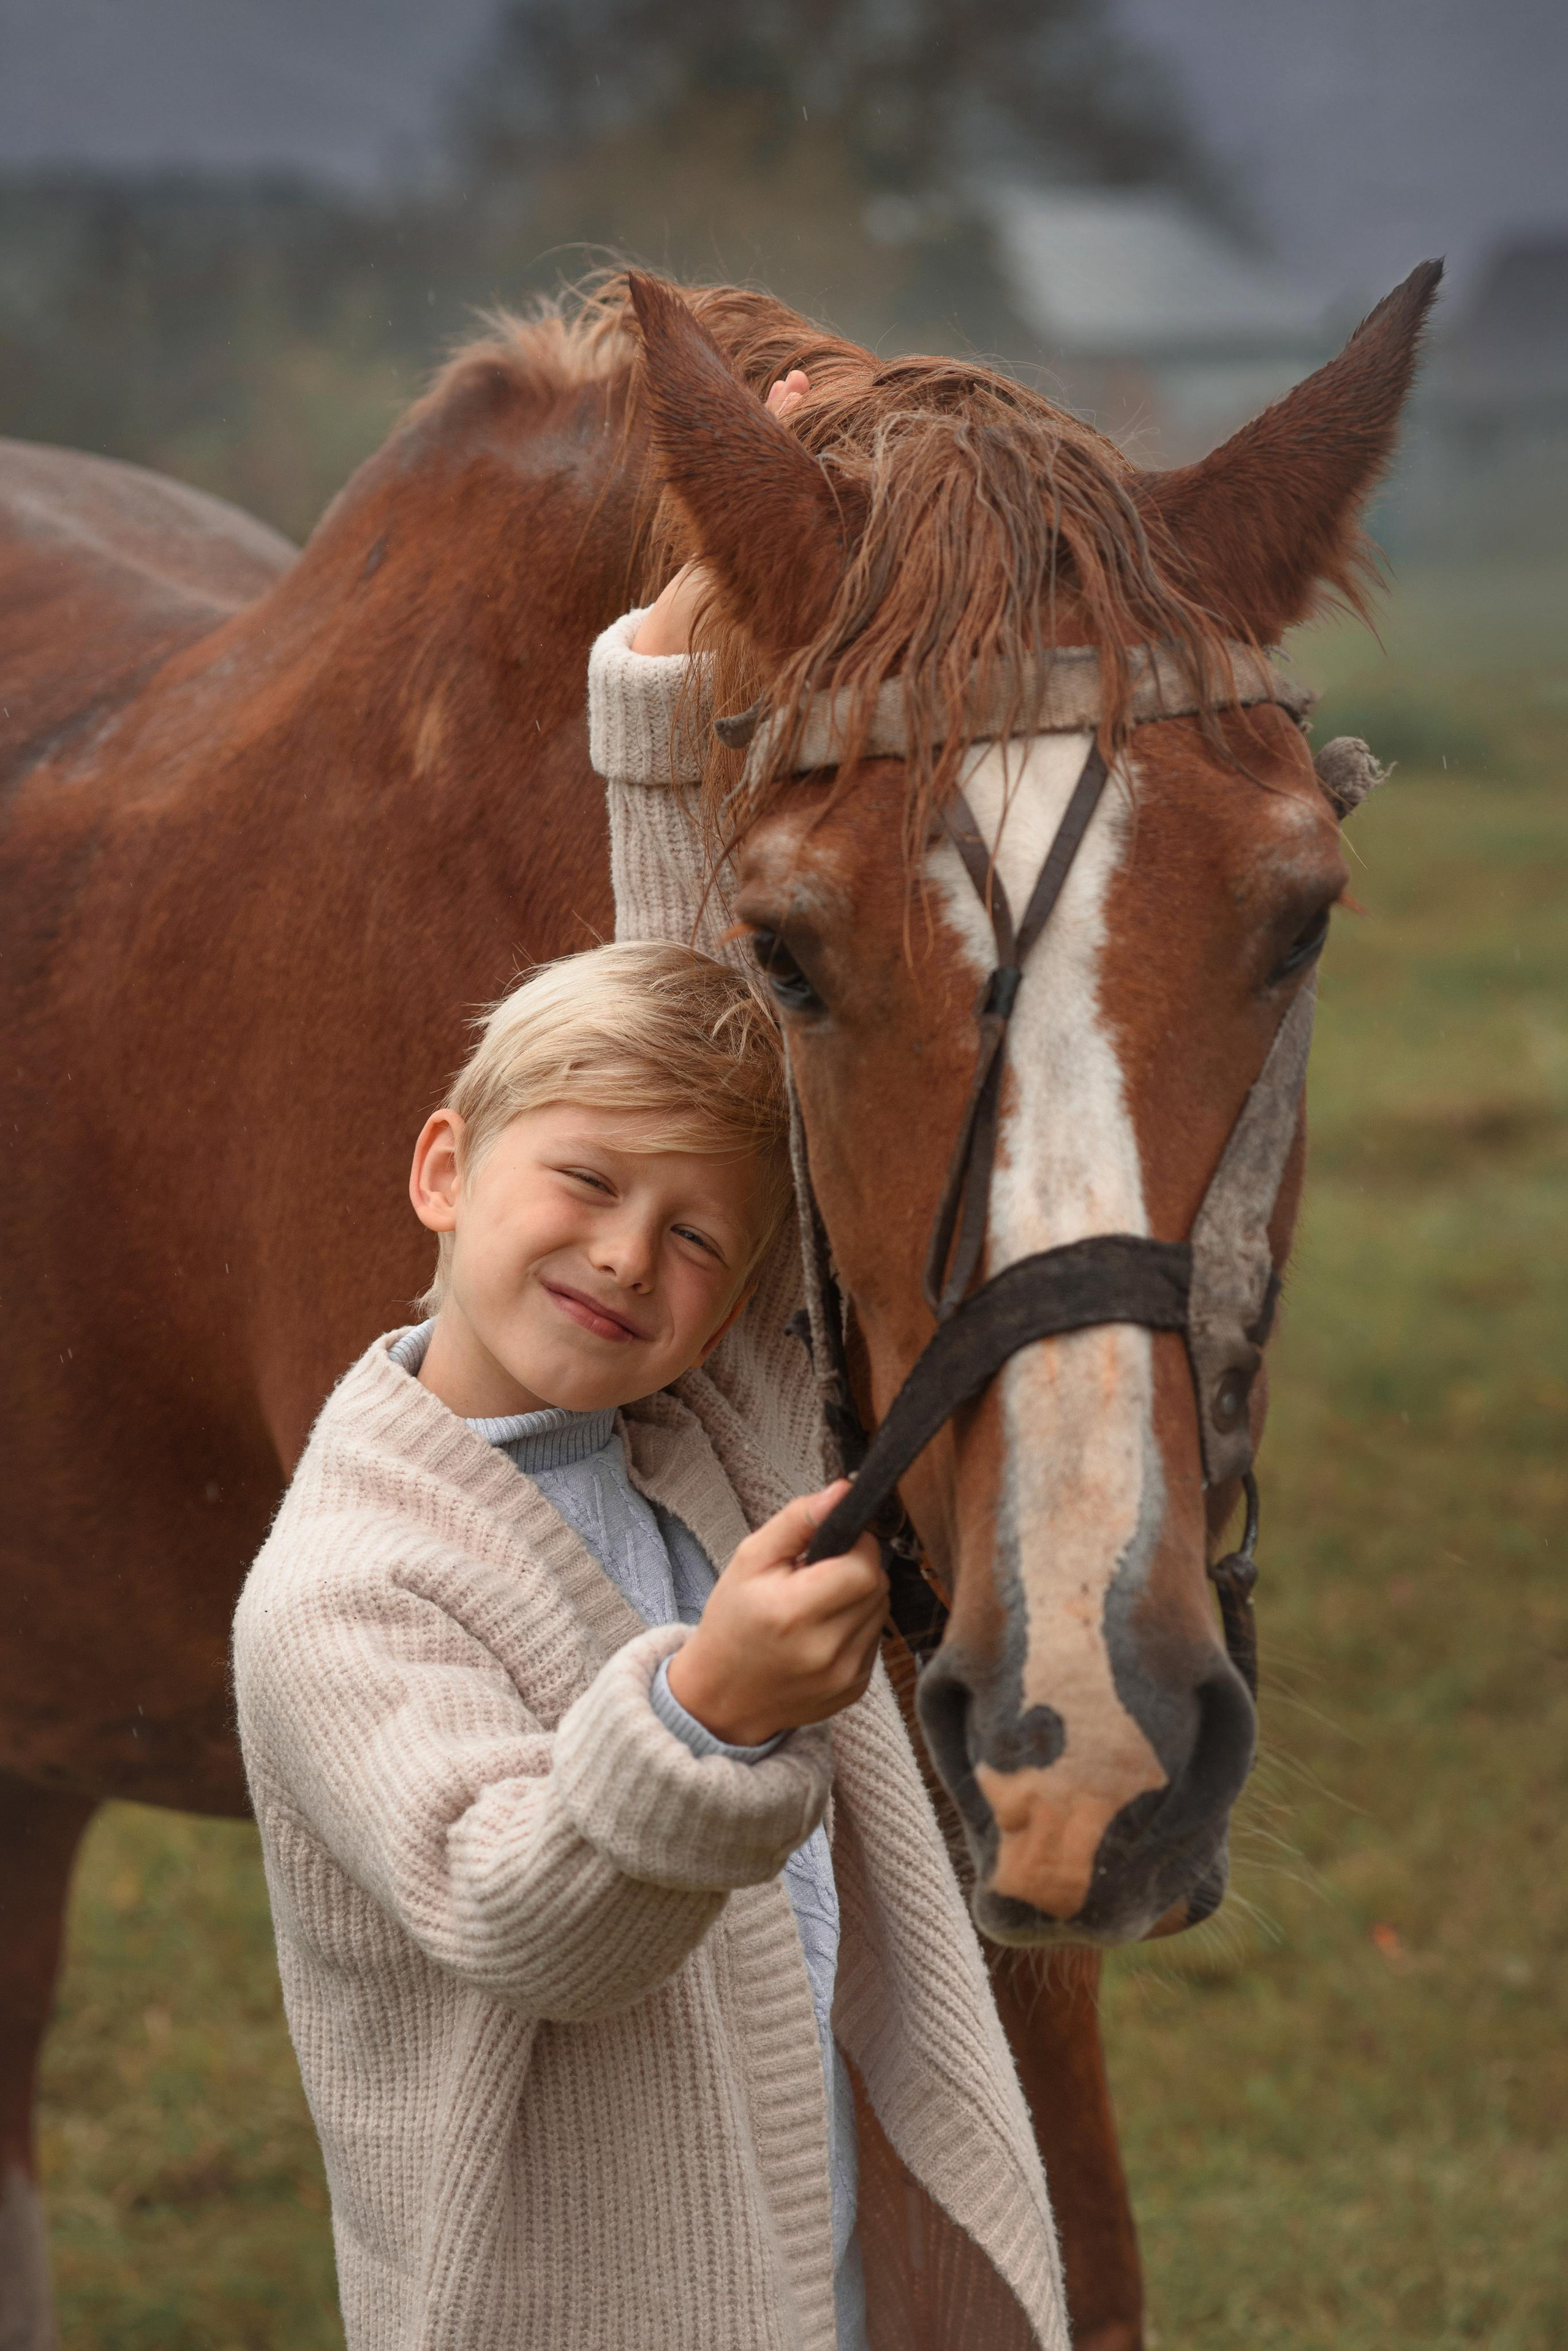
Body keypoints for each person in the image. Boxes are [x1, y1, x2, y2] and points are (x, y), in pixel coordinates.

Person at [232, 378, 1067, 2351]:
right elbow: (529, 1916)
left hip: (821, 2265)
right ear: (444, 1166)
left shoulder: (699, 1429)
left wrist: (675, 648)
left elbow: (707, 999)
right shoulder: (343, 1591)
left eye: (699, 1241)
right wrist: (705, 1710)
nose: (628, 1256)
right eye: (584, 1187)